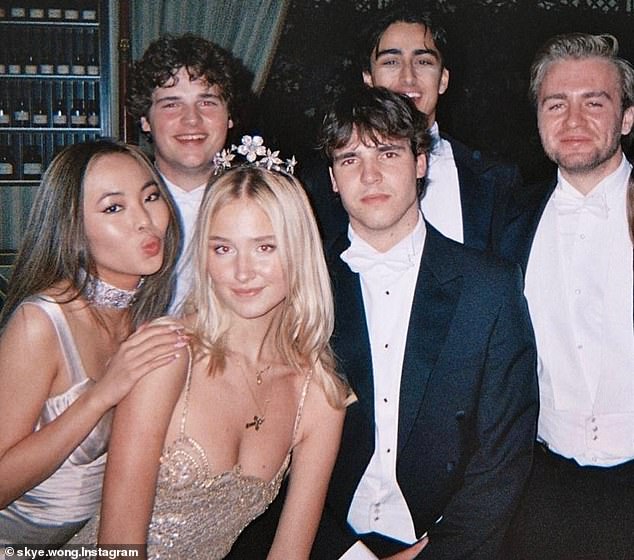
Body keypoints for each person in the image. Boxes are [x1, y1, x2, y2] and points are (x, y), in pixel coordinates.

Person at [89, 146, 352, 559]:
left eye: (265, 247)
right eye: (223, 249)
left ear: (299, 251)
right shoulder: (170, 355)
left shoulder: (319, 395)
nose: (242, 272)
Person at [311, 86, 538, 560]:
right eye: (350, 159)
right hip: (330, 541)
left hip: (448, 541)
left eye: (387, 152)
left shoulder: (490, 287)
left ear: (420, 161)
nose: (369, 175)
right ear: (332, 178)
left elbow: (502, 458)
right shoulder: (304, 286)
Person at [0, 140, 183, 546]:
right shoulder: (41, 323)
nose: (145, 221)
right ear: (72, 226)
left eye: (151, 197)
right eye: (114, 208)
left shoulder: (142, 317)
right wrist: (100, 396)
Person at [498, 33, 634, 559]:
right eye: (557, 104)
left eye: (594, 102)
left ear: (626, 118)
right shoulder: (509, 222)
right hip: (540, 490)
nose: (573, 121)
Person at [303, 6, 522, 252]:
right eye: (391, 61)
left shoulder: (495, 182)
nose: (408, 77)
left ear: (443, 79)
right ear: (368, 78)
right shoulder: (316, 187)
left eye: (423, 61)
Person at [128, 33, 239, 312]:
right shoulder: (115, 209)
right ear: (145, 120)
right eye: (171, 104)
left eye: (207, 102)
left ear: (229, 116)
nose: (192, 119)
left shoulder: (258, 202)